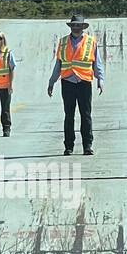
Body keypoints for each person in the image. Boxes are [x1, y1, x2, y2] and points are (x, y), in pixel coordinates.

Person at [47, 13, 104, 156]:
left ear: (83, 27)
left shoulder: (91, 42)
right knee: (69, 115)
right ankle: (68, 146)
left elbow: (97, 62)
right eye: (74, 25)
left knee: (86, 115)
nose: (76, 28)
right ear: (71, 27)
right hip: (68, 82)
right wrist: (52, 81)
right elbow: (58, 64)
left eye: (78, 25)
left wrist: (100, 79)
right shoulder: (63, 42)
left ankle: (87, 145)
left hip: (84, 82)